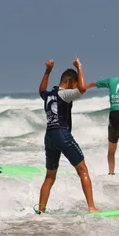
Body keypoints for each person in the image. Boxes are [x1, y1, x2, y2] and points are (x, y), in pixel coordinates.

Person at [34, 58, 99, 214]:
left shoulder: (49, 95)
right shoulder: (65, 95)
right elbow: (82, 88)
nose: (75, 88)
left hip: (49, 136)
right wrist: (79, 67)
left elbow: (41, 90)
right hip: (62, 134)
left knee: (50, 176)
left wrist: (48, 71)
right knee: (83, 171)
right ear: (70, 82)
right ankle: (92, 208)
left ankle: (41, 211)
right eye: (75, 84)